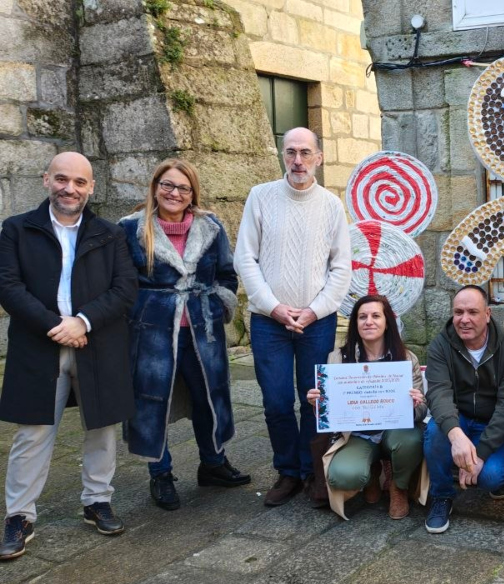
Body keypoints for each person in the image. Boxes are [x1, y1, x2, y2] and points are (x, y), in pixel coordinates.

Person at [0, 152, 138, 560]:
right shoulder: (16, 229)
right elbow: (8, 286)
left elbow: (124, 289)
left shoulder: (109, 234)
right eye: (62, 179)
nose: (70, 189)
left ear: (91, 187)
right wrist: (54, 325)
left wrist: (82, 321)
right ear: (46, 180)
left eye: (80, 182)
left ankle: (97, 500)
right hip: (39, 344)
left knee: (102, 426)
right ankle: (19, 515)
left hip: (95, 342)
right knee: (34, 431)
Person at [119, 158, 251, 512]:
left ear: (192, 192)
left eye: (182, 187)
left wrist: (220, 305)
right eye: (167, 185)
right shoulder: (131, 229)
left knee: (208, 395)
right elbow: (121, 282)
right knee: (151, 401)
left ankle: (213, 463)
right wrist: (136, 315)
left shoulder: (211, 227)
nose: (174, 193)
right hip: (152, 333)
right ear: (155, 187)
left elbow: (227, 274)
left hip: (202, 329)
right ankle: (160, 473)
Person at [234, 127, 352, 507]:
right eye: (290, 152)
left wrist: (313, 309)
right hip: (270, 321)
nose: (297, 160)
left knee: (314, 399)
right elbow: (245, 259)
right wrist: (275, 308)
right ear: (283, 156)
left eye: (305, 152)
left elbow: (342, 268)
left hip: (317, 321)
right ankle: (287, 471)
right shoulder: (261, 197)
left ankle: (312, 468)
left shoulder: (332, 205)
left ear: (319, 156)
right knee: (276, 401)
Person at [304, 295, 427, 520]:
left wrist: (416, 403)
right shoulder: (338, 358)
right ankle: (372, 472)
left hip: (395, 433)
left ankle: (398, 487)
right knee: (342, 476)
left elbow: (422, 412)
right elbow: (331, 415)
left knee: (412, 440)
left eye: (375, 316)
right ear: (355, 324)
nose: (368, 321)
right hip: (358, 435)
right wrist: (319, 404)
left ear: (387, 322)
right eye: (362, 317)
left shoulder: (406, 358)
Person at [423, 285, 504, 533]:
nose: (464, 319)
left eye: (472, 312)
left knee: (491, 478)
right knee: (435, 432)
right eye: (458, 312)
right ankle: (442, 496)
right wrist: (456, 436)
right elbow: (439, 393)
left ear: (488, 314)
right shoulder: (441, 345)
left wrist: (480, 454)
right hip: (460, 417)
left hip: (493, 423)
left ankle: (494, 478)